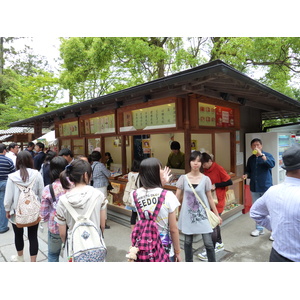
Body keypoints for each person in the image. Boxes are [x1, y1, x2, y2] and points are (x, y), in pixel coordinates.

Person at [250, 144, 300, 262]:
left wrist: (276, 227)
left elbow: (255, 212)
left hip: (276, 255)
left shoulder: (273, 191)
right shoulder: (251, 158)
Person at [129, 157, 181, 262]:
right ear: (155, 173)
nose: (163, 171)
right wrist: (178, 252)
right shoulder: (168, 196)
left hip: (144, 247)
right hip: (164, 248)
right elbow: (173, 229)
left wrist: (161, 183)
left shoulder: (134, 194)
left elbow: (151, 193)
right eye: (160, 169)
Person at [54, 159, 107, 260]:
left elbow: (62, 233)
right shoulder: (99, 195)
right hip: (95, 245)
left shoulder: (63, 200)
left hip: (73, 249)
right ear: (86, 175)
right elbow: (102, 225)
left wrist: (67, 243)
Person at [175, 151, 222, 262]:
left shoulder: (206, 179)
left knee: (209, 243)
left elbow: (210, 198)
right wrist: (171, 213)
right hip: (187, 215)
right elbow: (177, 197)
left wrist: (217, 215)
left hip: (203, 215)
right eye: (193, 160)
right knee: (187, 243)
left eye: (198, 161)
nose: (195, 163)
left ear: (201, 163)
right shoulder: (183, 178)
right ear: (189, 162)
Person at [4, 151, 44, 262]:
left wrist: (7, 210)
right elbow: (42, 193)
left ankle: (20, 258)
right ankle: (33, 262)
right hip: (34, 211)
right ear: (30, 160)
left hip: (17, 211)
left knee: (18, 235)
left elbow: (8, 197)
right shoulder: (37, 174)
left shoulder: (12, 177)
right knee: (33, 236)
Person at [197, 152, 232, 261]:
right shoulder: (206, 170)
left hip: (218, 201)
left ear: (209, 161)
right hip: (209, 201)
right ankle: (219, 244)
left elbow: (229, 181)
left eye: (204, 164)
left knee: (212, 225)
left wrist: (215, 185)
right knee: (215, 224)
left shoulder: (218, 168)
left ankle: (210, 249)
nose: (203, 167)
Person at [242, 138, 275, 238]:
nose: (256, 147)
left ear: (261, 146)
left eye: (258, 145)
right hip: (254, 187)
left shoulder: (268, 155)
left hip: (266, 186)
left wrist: (261, 155)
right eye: (254, 145)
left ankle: (273, 231)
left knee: (270, 209)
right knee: (257, 209)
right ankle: (259, 229)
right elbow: (249, 171)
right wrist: (246, 175)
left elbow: (271, 164)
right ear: (251, 147)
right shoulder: (251, 158)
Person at [40, 156, 69, 262]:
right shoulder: (74, 185)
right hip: (72, 226)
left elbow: (43, 213)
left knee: (53, 254)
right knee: (72, 255)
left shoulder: (48, 189)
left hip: (55, 226)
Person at [91, 151, 111, 229]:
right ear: (100, 158)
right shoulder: (100, 165)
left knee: (96, 204)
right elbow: (108, 174)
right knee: (103, 204)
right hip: (102, 186)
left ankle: (97, 221)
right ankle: (104, 222)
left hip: (95, 186)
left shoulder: (91, 166)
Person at [0, 144, 15, 234]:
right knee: (3, 205)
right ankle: (2, 227)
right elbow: (13, 174)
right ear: (4, 151)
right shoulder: (8, 160)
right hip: (4, 184)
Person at [124, 159, 141, 230]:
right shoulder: (140, 175)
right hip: (138, 195)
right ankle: (141, 229)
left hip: (130, 195)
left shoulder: (129, 174)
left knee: (133, 214)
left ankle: (133, 230)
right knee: (140, 214)